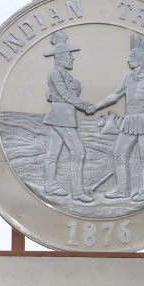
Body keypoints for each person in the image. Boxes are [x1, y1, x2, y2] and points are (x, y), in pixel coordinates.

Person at [92, 34, 144, 202]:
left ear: (140, 59)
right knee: (118, 153)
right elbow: (115, 96)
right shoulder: (128, 78)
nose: (128, 60)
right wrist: (97, 106)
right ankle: (122, 189)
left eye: (131, 57)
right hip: (130, 120)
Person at [41, 30, 95, 203]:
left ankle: (50, 186)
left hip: (61, 115)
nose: (73, 59)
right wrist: (84, 104)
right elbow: (66, 95)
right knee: (78, 152)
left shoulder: (65, 74)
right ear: (61, 57)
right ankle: (78, 192)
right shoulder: (55, 74)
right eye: (69, 56)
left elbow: (73, 90)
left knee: (53, 153)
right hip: (61, 116)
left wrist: (75, 89)